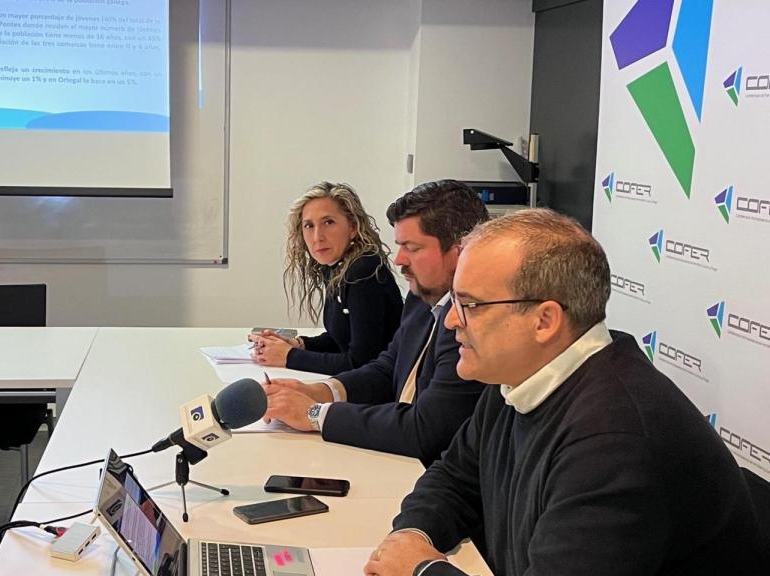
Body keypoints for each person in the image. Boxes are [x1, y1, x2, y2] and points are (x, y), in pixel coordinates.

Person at [364, 209, 767, 576]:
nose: (452, 319)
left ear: (545, 321)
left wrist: (420, 571)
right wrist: (413, 533)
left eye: (470, 304)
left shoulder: (613, 438)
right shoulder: (517, 376)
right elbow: (454, 477)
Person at [262, 180, 487, 464]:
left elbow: (425, 431)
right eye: (399, 246)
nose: (399, 259)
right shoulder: (421, 298)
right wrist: (319, 391)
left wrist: (314, 414)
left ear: (460, 251)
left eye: (412, 248)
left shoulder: (475, 323)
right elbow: (386, 368)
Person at [250, 182, 403, 375]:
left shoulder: (363, 272)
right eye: (309, 226)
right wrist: (299, 345)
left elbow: (361, 362)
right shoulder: (338, 267)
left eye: (328, 222)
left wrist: (289, 357)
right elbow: (341, 339)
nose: (317, 237)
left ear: (353, 227)